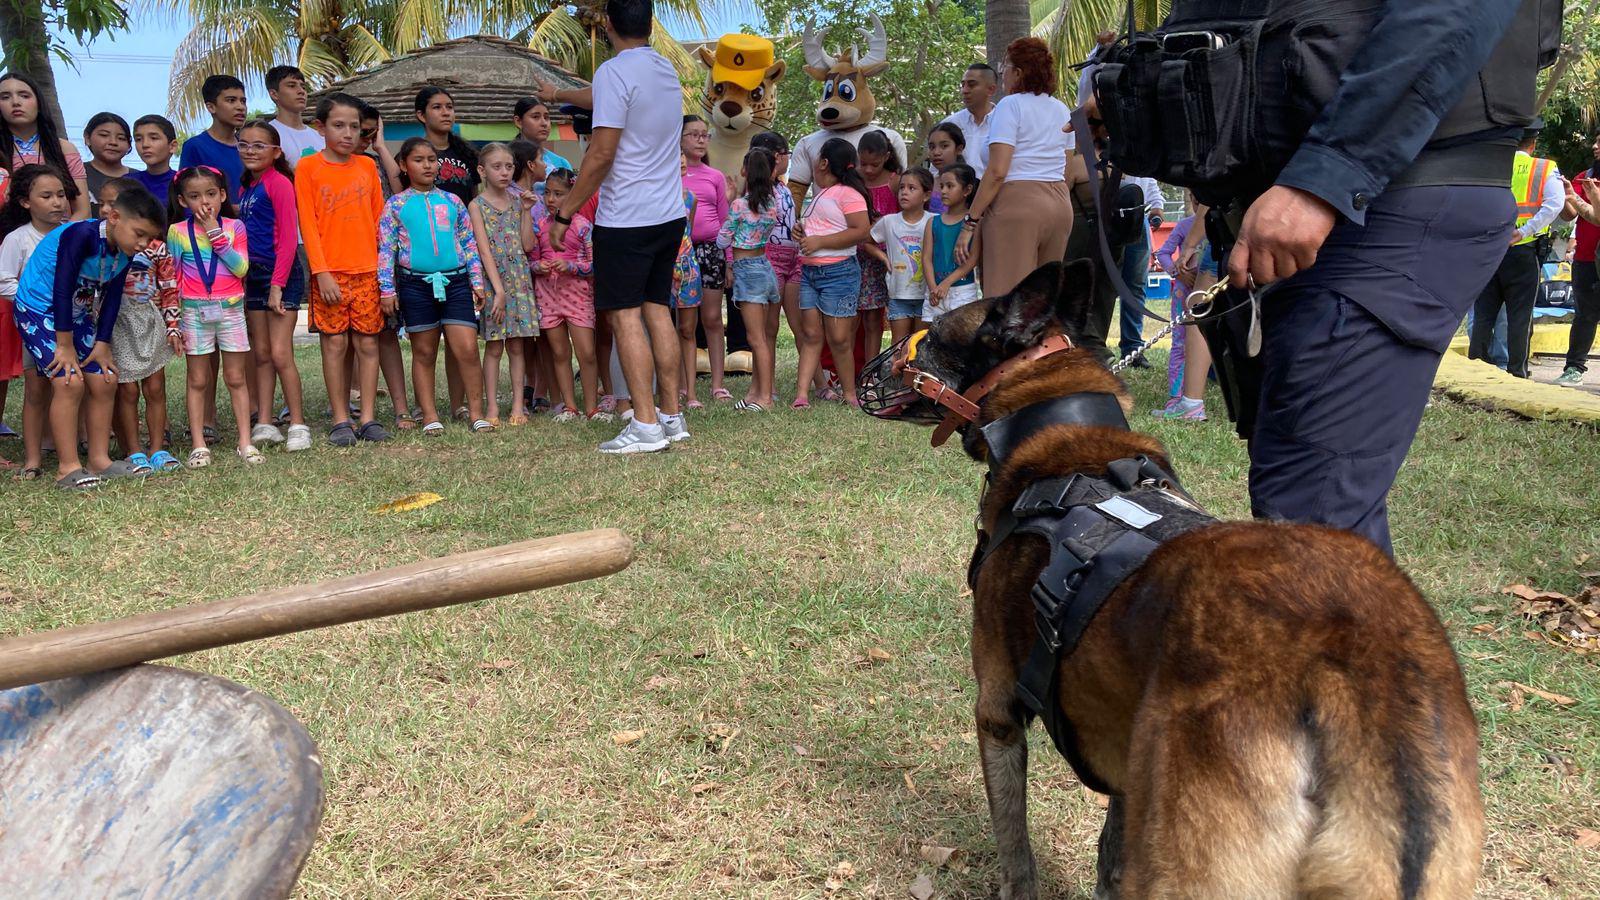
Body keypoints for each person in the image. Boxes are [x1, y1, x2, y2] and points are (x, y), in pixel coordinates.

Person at [1206, 0, 1547, 555]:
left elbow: (1453, 13)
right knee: (1304, 492)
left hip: (1376, 198)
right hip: (1317, 203)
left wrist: (1326, 178)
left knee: (1312, 524)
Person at [543, 0, 689, 454]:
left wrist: (565, 211)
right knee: (657, 310)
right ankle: (670, 416)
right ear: (649, 23)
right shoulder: (664, 69)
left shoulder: (613, 72)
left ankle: (644, 425)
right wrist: (557, 95)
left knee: (626, 316)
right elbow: (608, 95)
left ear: (607, 25)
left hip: (626, 218)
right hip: (668, 214)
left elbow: (601, 154)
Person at [13, 183, 165, 488]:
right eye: (139, 234)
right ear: (114, 217)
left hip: (77, 313)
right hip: (40, 310)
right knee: (69, 382)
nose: (144, 244)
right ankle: (67, 468)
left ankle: (100, 460)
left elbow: (111, 299)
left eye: (149, 238)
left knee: (105, 378)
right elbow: (62, 286)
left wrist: (102, 344)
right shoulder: (80, 235)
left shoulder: (124, 253)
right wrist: (65, 346)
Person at [379, 138, 489, 434]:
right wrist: (387, 290)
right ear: (403, 165)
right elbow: (387, 250)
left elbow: (469, 243)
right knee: (424, 352)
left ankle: (476, 413)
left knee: (466, 348)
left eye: (432, 159)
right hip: (415, 286)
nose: (428, 165)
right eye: (419, 160)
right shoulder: (396, 205)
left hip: (455, 282)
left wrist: (476, 282)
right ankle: (429, 415)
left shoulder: (453, 202)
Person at [298, 92, 388, 447]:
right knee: (334, 346)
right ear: (321, 128)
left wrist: (384, 273)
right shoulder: (308, 167)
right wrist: (321, 272)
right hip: (330, 273)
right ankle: (340, 419)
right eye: (339, 125)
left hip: (368, 271)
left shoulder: (366, 166)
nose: (348, 134)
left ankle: (367, 417)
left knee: (368, 345)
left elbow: (380, 220)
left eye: (354, 127)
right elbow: (308, 222)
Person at [956, 38, 1072, 298]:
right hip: (1060, 203)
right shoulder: (1061, 108)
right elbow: (1068, 167)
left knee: (1006, 302)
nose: (1002, 72)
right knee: (1044, 300)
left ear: (1018, 73)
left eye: (1005, 67)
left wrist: (970, 221)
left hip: (1017, 202)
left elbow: (997, 171)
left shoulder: (1011, 105)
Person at [167, 166, 258, 467]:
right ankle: (198, 445)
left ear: (221, 195)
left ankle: (245, 441)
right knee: (197, 379)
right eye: (194, 196)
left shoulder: (235, 227)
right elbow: (172, 278)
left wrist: (216, 236)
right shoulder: (178, 232)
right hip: (193, 310)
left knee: (236, 377)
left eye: (210, 194)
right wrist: (173, 321)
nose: (203, 202)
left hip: (230, 309)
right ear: (183, 201)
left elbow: (241, 268)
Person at [99, 177, 183, 473]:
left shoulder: (155, 247)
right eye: (105, 203)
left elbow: (170, 288)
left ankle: (158, 449)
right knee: (127, 391)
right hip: (116, 323)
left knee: (155, 387)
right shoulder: (104, 248)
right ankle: (133, 451)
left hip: (149, 320)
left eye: (115, 202)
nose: (108, 209)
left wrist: (172, 326)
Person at [237, 119, 310, 452]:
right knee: (261, 353)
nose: (250, 151)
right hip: (252, 275)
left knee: (281, 353)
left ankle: (297, 423)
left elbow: (287, 239)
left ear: (275, 151)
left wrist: (277, 285)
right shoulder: (247, 187)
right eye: (244, 144)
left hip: (280, 274)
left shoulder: (279, 183)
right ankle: (265, 422)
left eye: (258, 145)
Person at [1468, 124, 1562, 379]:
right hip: (1523, 251)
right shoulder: (1543, 168)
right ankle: (1516, 372)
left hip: (1489, 250)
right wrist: (1526, 230)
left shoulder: (1490, 165)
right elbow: (1555, 204)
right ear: (1533, 144)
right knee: (1519, 317)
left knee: (1484, 314)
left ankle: (1475, 368)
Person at [0, 164, 72, 475]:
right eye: (46, 196)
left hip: (74, 323)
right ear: (26, 202)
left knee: (73, 385)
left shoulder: (75, 233)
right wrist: (34, 302)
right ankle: (32, 460)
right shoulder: (18, 239)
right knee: (36, 390)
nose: (57, 202)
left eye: (60, 195)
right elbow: (3, 280)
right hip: (37, 327)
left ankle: (71, 448)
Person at [794, 138, 871, 409]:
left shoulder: (848, 194)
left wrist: (820, 242)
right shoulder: (821, 194)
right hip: (811, 273)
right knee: (811, 335)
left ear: (824, 162)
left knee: (839, 338)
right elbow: (824, 226)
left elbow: (861, 231)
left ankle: (850, 394)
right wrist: (803, 233)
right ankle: (802, 395)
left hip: (839, 273)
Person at [471, 142, 539, 425]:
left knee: (516, 346)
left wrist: (525, 211)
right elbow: (484, 250)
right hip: (493, 281)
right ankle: (491, 409)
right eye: (497, 167)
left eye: (509, 166)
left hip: (519, 280)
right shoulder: (476, 206)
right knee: (494, 345)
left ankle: (517, 407)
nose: (504, 172)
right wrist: (497, 290)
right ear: (482, 170)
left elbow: (527, 245)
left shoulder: (517, 203)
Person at [531, 168, 599, 422]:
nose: (550, 199)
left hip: (578, 297)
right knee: (559, 353)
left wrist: (571, 267)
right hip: (548, 298)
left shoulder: (583, 227)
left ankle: (592, 407)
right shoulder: (540, 226)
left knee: (586, 354)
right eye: (547, 193)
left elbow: (594, 266)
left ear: (573, 196)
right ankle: (570, 406)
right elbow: (532, 261)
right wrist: (539, 267)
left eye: (558, 194)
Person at [717, 147, 782, 411]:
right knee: (763, 337)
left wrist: (729, 200)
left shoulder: (739, 205)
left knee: (756, 339)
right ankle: (755, 393)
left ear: (745, 171)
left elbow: (723, 238)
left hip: (747, 270)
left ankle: (765, 398)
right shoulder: (771, 204)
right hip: (764, 266)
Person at [680, 115, 729, 406]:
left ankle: (718, 384)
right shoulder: (668, 174)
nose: (700, 140)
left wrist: (730, 261)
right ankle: (684, 384)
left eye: (704, 135)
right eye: (693, 135)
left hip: (711, 252)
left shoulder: (715, 176)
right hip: (678, 253)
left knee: (711, 319)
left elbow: (726, 223)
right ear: (680, 139)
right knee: (683, 324)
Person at [0, 72, 89, 219]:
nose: (15, 102)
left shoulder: (64, 149)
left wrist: (54, 240)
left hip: (59, 238)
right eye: (5, 97)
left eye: (24, 95)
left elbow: (83, 211)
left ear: (39, 103)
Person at [866, 167, 931, 343]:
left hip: (926, 295)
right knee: (899, 345)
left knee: (919, 346)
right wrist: (883, 257)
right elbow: (867, 242)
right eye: (902, 187)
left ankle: (914, 373)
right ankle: (898, 372)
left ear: (926, 195)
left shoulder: (934, 221)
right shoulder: (889, 221)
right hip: (898, 294)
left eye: (912, 188)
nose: (904, 192)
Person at [856, 129, 900, 360]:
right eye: (863, 164)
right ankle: (860, 369)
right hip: (860, 259)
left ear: (886, 157)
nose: (868, 170)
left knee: (885, 317)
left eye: (874, 164)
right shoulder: (856, 181)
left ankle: (877, 368)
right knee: (862, 318)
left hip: (889, 260)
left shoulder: (896, 182)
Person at [1560, 133, 1600, 386]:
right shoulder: (1584, 177)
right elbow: (1569, 214)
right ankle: (1574, 368)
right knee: (1585, 315)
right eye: (1596, 142)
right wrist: (1565, 196)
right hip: (1586, 257)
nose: (1595, 146)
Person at [1116, 175, 1165, 366]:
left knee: (1135, 286)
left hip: (1137, 217)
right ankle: (1095, 348)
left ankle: (1133, 349)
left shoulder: (1140, 146)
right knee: (1101, 285)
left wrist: (1156, 205)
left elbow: (1148, 177)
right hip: (1105, 213)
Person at [179, 74, 247, 201]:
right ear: (211, 107)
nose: (240, 107)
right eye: (231, 100)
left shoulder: (248, 147)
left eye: (243, 101)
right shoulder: (195, 146)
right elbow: (187, 194)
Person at [926, 164, 982, 320]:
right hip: (934, 291)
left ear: (967, 190)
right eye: (942, 186)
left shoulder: (974, 224)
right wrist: (933, 288)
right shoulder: (932, 222)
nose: (943, 191)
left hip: (963, 290)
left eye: (950, 186)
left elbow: (972, 260)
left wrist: (946, 283)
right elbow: (926, 258)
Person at [942, 64, 996, 178]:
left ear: (991, 89)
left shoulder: (1005, 123)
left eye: (971, 85)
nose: (964, 90)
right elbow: (936, 171)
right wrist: (936, 196)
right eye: (963, 85)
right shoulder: (950, 124)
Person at [511, 97, 574, 196]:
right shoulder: (507, 159)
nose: (544, 123)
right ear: (518, 121)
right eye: (535, 117)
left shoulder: (561, 163)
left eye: (546, 117)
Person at [265, 65, 324, 169]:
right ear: (274, 94)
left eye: (303, 87)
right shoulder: (268, 136)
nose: (301, 91)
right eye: (292, 86)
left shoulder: (320, 136)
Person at [83, 113, 131, 217]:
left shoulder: (140, 178)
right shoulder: (76, 174)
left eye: (121, 138)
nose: (113, 142)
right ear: (87, 138)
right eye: (104, 135)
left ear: (129, 145)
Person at [131, 115, 178, 205]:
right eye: (138, 139)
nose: (145, 144)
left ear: (172, 146)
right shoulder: (128, 183)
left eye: (153, 138)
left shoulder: (183, 184)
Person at [924, 123, 966, 214]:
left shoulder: (970, 184)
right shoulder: (926, 183)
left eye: (944, 146)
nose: (936, 152)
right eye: (932, 147)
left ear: (959, 149)